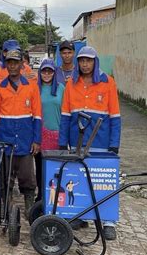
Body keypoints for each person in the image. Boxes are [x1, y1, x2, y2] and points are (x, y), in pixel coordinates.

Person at [59, 46, 121, 240]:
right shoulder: (72, 84)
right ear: (78, 63)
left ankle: (108, 222)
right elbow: (65, 115)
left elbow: (115, 116)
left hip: (101, 142)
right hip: (77, 141)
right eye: (82, 61)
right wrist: (63, 142)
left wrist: (114, 144)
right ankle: (81, 216)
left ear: (95, 62)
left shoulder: (107, 82)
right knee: (79, 181)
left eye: (89, 60)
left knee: (104, 182)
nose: (85, 64)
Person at [0, 49, 42, 218]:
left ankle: (28, 207)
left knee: (28, 177)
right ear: (6, 65)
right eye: (9, 62)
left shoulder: (31, 87)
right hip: (6, 140)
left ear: (22, 64)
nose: (12, 66)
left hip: (26, 140)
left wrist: (36, 140)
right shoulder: (0, 87)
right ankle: (6, 206)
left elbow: (37, 116)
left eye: (16, 62)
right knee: (5, 177)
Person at [34, 58, 65, 202]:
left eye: (50, 71)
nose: (46, 74)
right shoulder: (35, 88)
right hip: (40, 134)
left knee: (55, 169)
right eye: (44, 71)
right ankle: (41, 197)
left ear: (54, 72)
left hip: (56, 134)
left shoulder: (61, 89)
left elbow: (66, 113)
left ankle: (54, 199)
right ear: (40, 72)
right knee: (40, 168)